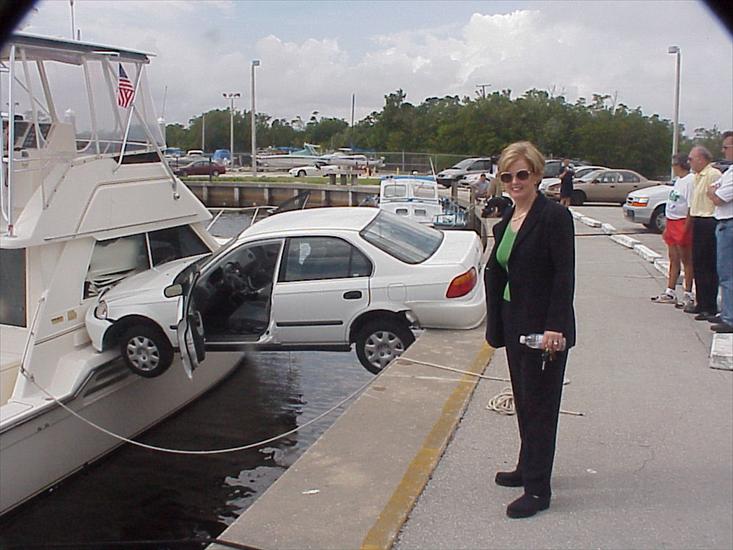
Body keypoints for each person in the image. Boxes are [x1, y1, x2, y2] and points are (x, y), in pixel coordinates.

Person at [484, 141, 576, 519]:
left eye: (522, 174)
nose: (515, 181)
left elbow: (563, 275)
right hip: (513, 318)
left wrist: (556, 325)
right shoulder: (508, 218)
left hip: (543, 326)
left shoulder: (553, 217)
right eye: (508, 176)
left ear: (537, 175)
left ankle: (538, 489)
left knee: (540, 406)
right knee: (523, 399)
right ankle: (527, 466)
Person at [651, 154, 694, 306]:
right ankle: (670, 291)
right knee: (673, 258)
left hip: (682, 223)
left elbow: (690, 207)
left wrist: (686, 229)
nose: (672, 167)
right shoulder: (678, 181)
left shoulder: (690, 181)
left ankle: (688, 293)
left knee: (686, 260)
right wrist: (668, 226)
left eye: (674, 164)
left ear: (680, 165)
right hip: (672, 222)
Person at [684, 146, 722, 320]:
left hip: (709, 220)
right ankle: (701, 302)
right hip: (698, 220)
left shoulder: (712, 174)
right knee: (698, 263)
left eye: (692, 159)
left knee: (708, 264)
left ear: (702, 159)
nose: (689, 162)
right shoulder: (696, 177)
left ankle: (710, 305)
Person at [706, 131, 733, 333]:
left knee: (728, 274)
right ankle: (726, 311)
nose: (723, 151)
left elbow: (717, 198)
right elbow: (713, 188)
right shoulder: (729, 171)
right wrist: (713, 191)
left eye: (726, 147)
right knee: (723, 271)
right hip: (723, 223)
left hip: (729, 225)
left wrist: (713, 192)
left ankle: (730, 317)